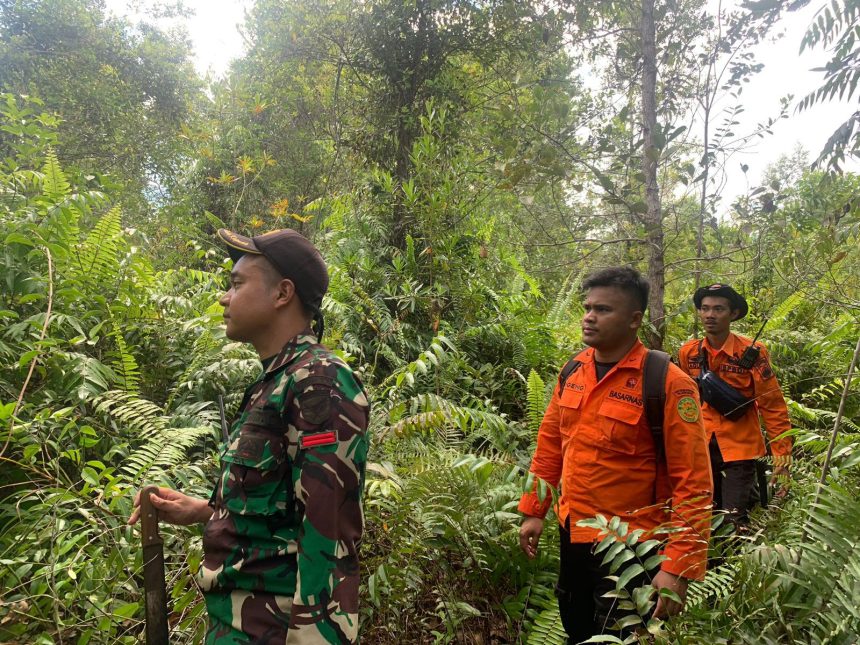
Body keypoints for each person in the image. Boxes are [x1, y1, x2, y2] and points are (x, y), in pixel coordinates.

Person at [129, 228, 370, 644]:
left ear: (282, 293)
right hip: (236, 625)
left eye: (237, 284)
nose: (225, 297)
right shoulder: (274, 382)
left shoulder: (320, 383)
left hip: (275, 630)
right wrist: (202, 510)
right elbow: (278, 508)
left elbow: (328, 535)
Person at [518, 267, 712, 644]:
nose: (589, 317)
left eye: (603, 310)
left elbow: (694, 482)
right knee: (576, 627)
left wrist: (678, 566)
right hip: (573, 532)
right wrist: (534, 510)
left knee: (623, 636)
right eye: (587, 307)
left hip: (633, 547)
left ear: (634, 319)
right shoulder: (573, 370)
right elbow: (550, 446)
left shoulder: (668, 383)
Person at [678, 283, 791, 528]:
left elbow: (772, 405)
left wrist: (781, 459)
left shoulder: (752, 353)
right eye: (705, 308)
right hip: (702, 446)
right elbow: (685, 401)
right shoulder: (689, 353)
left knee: (733, 519)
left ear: (733, 314)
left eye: (718, 309)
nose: (710, 315)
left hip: (740, 447)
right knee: (703, 515)